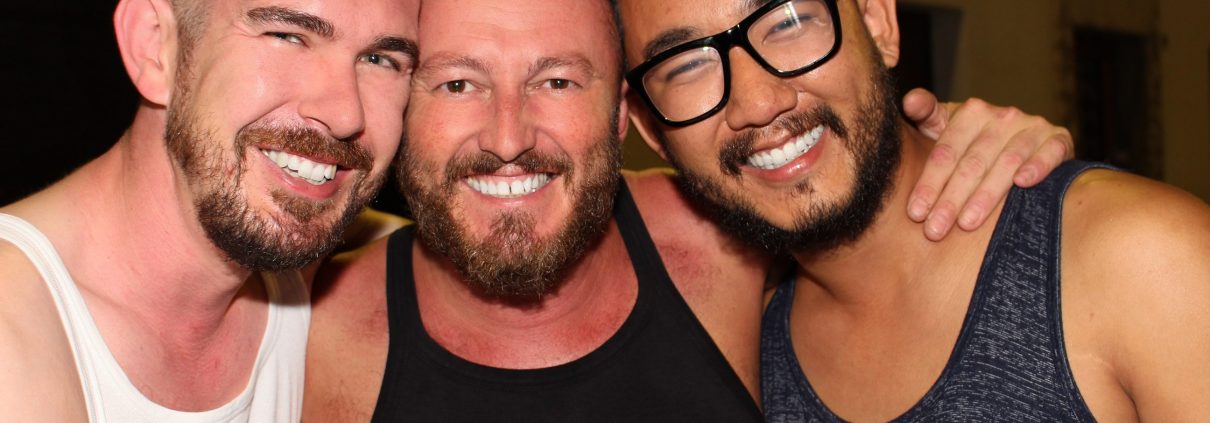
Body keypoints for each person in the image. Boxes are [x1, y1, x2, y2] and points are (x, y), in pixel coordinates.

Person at [302, 0, 1077, 421]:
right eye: (457, 84)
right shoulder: (308, 336)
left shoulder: (717, 241)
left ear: (622, 117)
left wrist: (968, 142)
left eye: (558, 81)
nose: (509, 138)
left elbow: (839, 181)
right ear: (399, 107)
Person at [616, 0, 1210, 420]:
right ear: (651, 129)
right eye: (686, 65)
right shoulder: (738, 346)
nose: (757, 101)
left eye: (789, 21)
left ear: (877, 20)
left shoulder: (1142, 261)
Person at [0, 0, 419, 420]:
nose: (345, 114)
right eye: (286, 36)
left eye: (380, 60)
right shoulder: (14, 346)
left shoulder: (321, 270)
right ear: (154, 45)